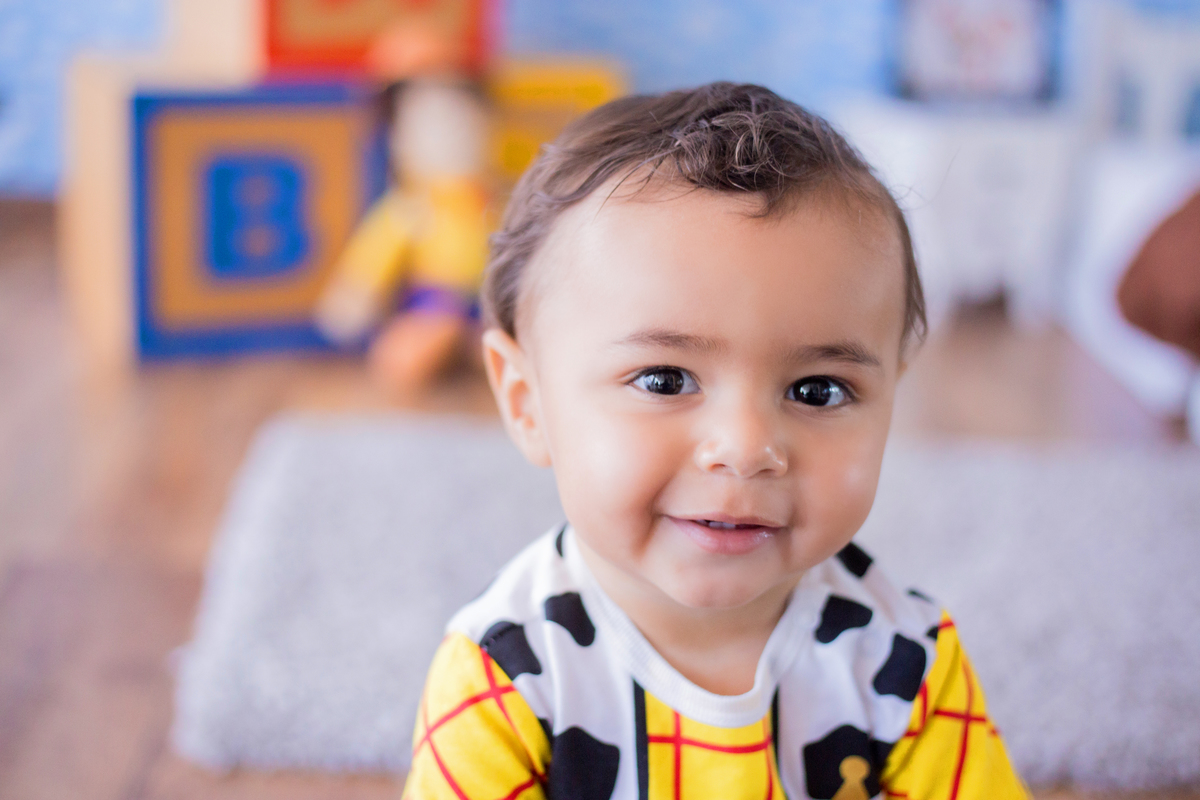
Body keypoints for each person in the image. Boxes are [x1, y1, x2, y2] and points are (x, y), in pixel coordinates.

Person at [401, 82, 1028, 800]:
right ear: (526, 402)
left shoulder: (903, 658)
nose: (746, 446)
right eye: (665, 380)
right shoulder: (506, 677)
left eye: (818, 390)